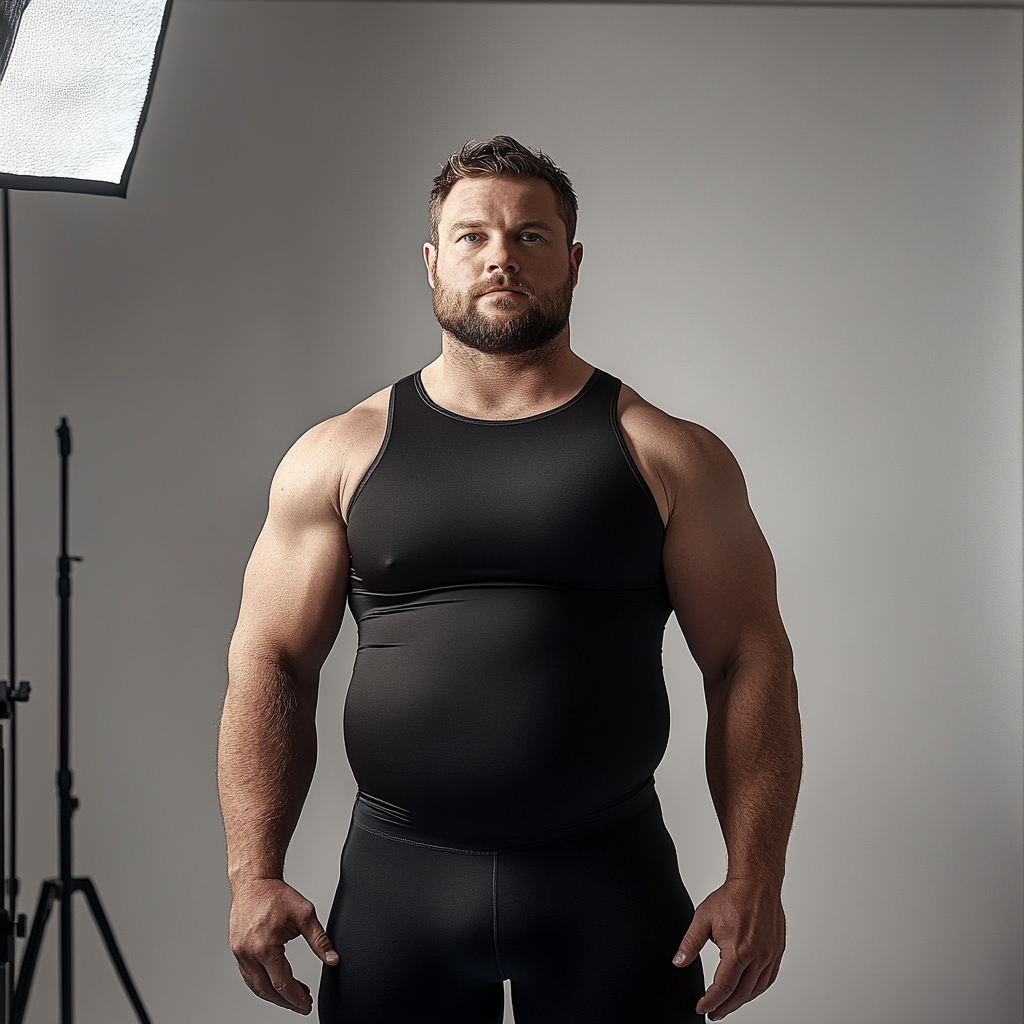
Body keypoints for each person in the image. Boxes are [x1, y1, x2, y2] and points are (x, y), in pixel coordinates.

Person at [218, 136, 802, 1024]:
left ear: (571, 262)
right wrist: (253, 871)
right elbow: (271, 663)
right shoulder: (340, 454)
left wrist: (756, 875)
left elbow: (749, 659)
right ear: (432, 263)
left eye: (530, 236)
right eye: (472, 236)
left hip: (607, 878)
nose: (500, 256)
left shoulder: (668, 454)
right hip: (398, 880)